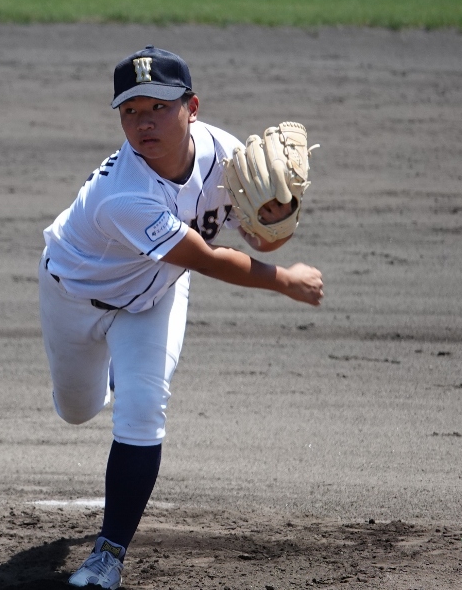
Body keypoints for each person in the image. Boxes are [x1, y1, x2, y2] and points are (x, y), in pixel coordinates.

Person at [38, 45, 323, 589]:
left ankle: (107, 556)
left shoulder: (228, 156)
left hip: (153, 300)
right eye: (130, 111)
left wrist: (281, 211)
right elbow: (210, 259)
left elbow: (258, 235)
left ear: (192, 107)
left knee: (142, 409)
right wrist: (285, 280)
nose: (144, 122)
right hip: (74, 298)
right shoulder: (123, 195)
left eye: (159, 107)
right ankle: (111, 374)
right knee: (77, 410)